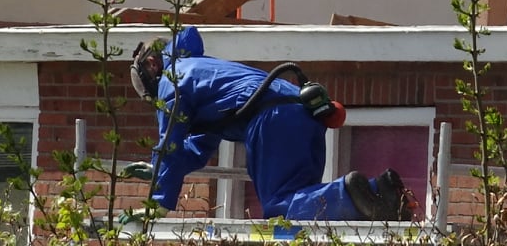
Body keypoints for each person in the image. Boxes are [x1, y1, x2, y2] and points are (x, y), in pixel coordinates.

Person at [125, 27, 408, 221]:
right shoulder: (203, 71)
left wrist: (159, 204)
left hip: (270, 119)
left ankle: (347, 191)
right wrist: (157, 170)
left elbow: (170, 143)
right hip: (302, 112)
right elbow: (197, 148)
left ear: (152, 64)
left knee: (281, 209)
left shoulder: (172, 79)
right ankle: (379, 192)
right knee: (303, 204)